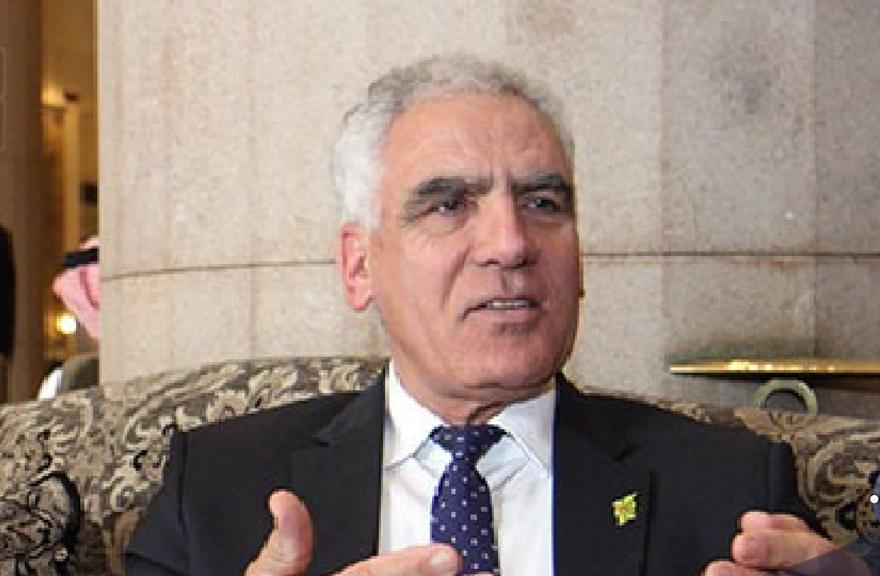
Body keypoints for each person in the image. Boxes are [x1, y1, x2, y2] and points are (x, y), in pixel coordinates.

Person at [124, 56, 838, 576]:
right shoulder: (216, 489)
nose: (510, 243)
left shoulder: (729, 492)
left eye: (543, 203)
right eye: (448, 205)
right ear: (359, 265)